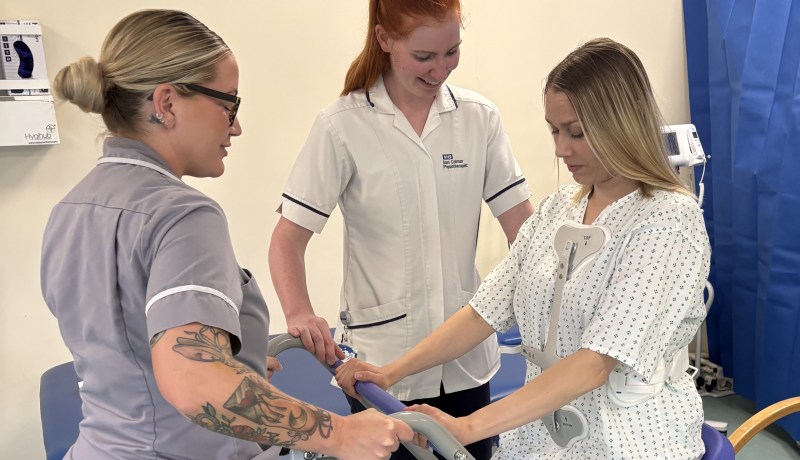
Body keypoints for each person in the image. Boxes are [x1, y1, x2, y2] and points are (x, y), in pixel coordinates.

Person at [42, 9, 414, 459]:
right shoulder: (182, 215)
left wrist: (240, 365)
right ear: (166, 103)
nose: (235, 126)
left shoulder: (71, 209)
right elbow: (193, 380)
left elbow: (130, 349)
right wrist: (340, 433)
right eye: (228, 104)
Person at [337, 37, 711, 459]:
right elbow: (483, 311)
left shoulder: (667, 221)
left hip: (629, 440)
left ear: (622, 123)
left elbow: (596, 363)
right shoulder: (557, 210)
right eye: (554, 130)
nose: (560, 149)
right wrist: (390, 373)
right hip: (541, 437)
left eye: (576, 132)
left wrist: (467, 426)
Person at [269, 1, 533, 458]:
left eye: (451, 52)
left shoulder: (479, 118)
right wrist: (300, 312)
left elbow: (525, 232)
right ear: (384, 39)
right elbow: (287, 239)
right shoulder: (342, 125)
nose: (440, 70)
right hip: (379, 370)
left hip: (466, 365)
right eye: (424, 57)